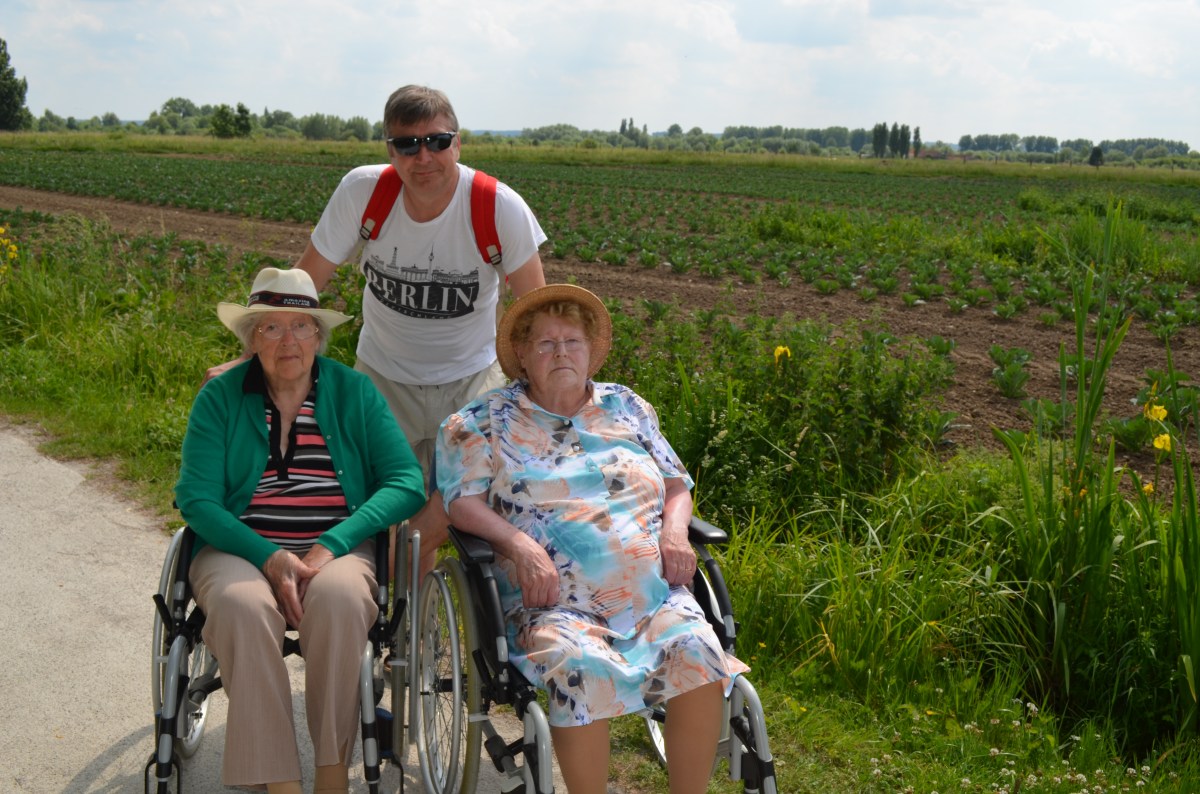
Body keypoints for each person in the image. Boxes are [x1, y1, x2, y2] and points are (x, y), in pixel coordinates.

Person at [206, 84, 546, 576]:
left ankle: (467, 622)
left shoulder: (498, 207)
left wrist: (543, 398)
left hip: (472, 381)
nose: (423, 156)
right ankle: (397, 633)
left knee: (489, 505)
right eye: (407, 144)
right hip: (383, 379)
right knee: (382, 508)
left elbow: (534, 314)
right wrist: (247, 361)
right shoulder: (364, 193)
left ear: (459, 142)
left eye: (437, 140)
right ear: (389, 149)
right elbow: (305, 284)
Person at [436, 284, 748, 794]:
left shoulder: (626, 406)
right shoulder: (481, 421)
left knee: (696, 648)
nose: (561, 352)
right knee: (579, 665)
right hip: (553, 602)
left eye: (573, 341)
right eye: (545, 343)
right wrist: (519, 544)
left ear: (590, 350)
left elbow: (676, 484)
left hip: (653, 595)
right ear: (521, 354)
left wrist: (674, 532)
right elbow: (461, 501)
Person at [176, 268, 426, 794]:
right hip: (236, 547)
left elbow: (406, 482)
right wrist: (268, 556)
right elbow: (195, 500)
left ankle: (330, 773)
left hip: (332, 549)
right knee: (244, 608)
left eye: (301, 325)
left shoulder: (354, 392)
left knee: (339, 604)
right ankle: (280, 783)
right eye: (270, 327)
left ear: (319, 335)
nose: (287, 339)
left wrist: (332, 544)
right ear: (251, 339)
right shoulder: (219, 398)